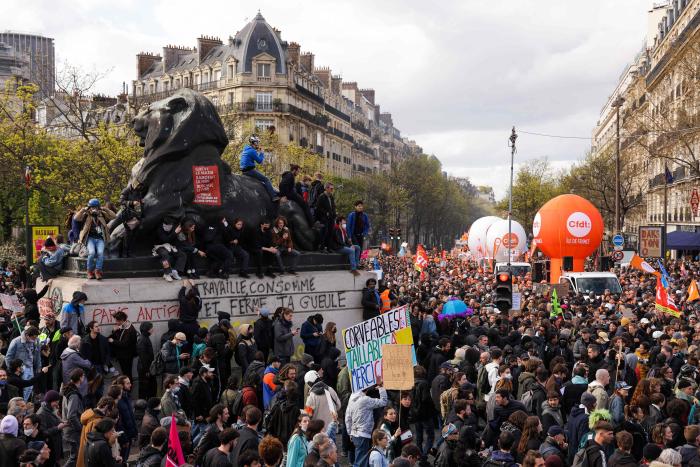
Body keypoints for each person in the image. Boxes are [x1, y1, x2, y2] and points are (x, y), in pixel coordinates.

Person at [346, 376, 388, 467]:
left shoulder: (351, 398)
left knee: (360, 458)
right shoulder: (365, 400)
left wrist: (350, 432)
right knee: (361, 461)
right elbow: (383, 401)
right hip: (363, 433)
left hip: (355, 433)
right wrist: (381, 388)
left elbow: (347, 417)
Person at [74, 199, 115, 280]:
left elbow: (114, 216)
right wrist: (83, 210)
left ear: (98, 207)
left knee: (100, 253)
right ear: (89, 207)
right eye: (92, 207)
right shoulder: (86, 214)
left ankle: (97, 271)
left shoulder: (102, 214)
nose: (94, 209)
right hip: (90, 238)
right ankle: (89, 271)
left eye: (96, 207)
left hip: (100, 238)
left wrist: (105, 209)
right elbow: (76, 218)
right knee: (92, 253)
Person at [5, 326, 43, 400]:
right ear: (28, 335)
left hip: (30, 366)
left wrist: (38, 367)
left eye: (36, 338)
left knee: (29, 388)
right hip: (20, 368)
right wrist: (12, 370)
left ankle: (24, 403)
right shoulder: (16, 341)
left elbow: (38, 355)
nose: (35, 339)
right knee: (23, 388)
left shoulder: (37, 341)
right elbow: (8, 357)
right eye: (33, 338)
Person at [239, 135, 279, 201]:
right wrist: (262, 153)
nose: (258, 144)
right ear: (254, 143)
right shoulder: (252, 151)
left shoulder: (246, 149)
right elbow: (259, 161)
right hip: (250, 171)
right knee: (266, 180)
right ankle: (273, 196)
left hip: (244, 171)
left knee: (261, 181)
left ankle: (272, 191)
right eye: (257, 142)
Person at [61, 368, 85, 467]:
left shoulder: (68, 390)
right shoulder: (73, 394)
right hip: (74, 431)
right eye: (83, 376)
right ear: (80, 378)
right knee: (75, 457)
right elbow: (71, 415)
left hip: (69, 429)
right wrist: (80, 428)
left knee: (75, 456)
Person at [153, 216, 186, 281]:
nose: (169, 227)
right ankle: (167, 273)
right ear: (164, 224)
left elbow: (175, 239)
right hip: (160, 246)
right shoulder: (159, 229)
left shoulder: (173, 228)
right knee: (165, 255)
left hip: (170, 246)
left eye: (170, 225)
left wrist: (178, 233)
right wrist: (175, 233)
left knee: (182, 255)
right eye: (167, 225)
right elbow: (165, 239)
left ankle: (175, 271)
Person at [108, 311, 137, 381]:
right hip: (122, 355)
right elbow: (119, 337)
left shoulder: (130, 329)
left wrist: (113, 341)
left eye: (117, 320)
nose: (116, 322)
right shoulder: (123, 326)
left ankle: (128, 388)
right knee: (125, 373)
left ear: (121, 320)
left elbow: (124, 343)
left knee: (127, 373)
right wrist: (114, 331)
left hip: (127, 356)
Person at [136, 322, 156, 399]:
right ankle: (143, 405)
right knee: (144, 388)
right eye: (151, 328)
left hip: (146, 368)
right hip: (144, 369)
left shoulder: (145, 338)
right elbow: (143, 356)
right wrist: (147, 370)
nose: (152, 329)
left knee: (149, 387)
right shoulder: (142, 339)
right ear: (147, 329)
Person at [315, 182, 336, 252]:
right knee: (324, 232)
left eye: (333, 188)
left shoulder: (331, 197)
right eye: (331, 188)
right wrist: (325, 213)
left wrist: (334, 213)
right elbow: (318, 208)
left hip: (331, 218)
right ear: (326, 188)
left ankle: (329, 248)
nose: (332, 190)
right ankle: (322, 247)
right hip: (324, 218)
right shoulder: (322, 196)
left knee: (330, 232)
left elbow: (333, 207)